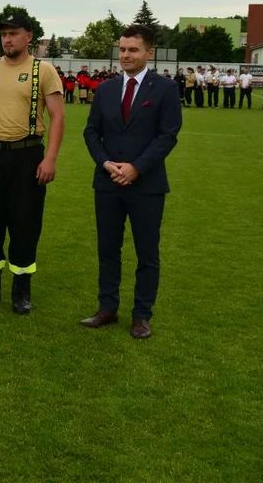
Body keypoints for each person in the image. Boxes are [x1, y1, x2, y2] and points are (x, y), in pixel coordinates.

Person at [81, 25, 183, 339]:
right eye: (122, 49)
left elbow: (168, 136)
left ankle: (141, 315)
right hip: (108, 183)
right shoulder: (107, 89)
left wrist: (137, 168)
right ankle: (107, 308)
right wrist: (106, 163)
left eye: (133, 50)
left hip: (147, 185)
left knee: (146, 253)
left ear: (148, 53)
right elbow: (91, 132)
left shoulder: (165, 88)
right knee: (108, 249)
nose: (125, 55)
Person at [0, 13, 65, 314]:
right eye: (4, 34)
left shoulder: (43, 71)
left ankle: (21, 288)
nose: (7, 39)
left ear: (28, 36)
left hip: (27, 155)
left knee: (24, 222)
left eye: (14, 33)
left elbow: (58, 116)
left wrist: (50, 158)